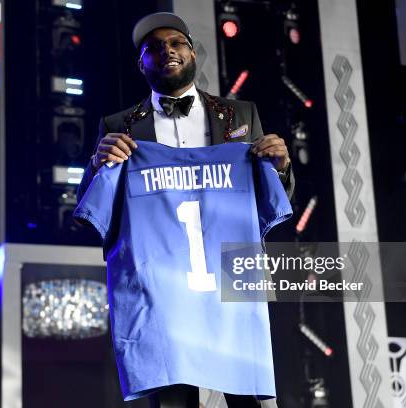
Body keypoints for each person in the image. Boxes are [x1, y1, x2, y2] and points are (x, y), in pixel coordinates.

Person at [76, 12, 293, 408]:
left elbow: (271, 197)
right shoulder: (120, 125)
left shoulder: (241, 116)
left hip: (230, 269)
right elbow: (92, 209)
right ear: (139, 64)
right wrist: (96, 166)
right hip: (164, 283)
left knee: (249, 395)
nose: (167, 52)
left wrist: (280, 166)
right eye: (153, 49)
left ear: (192, 52)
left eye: (175, 43)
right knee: (177, 397)